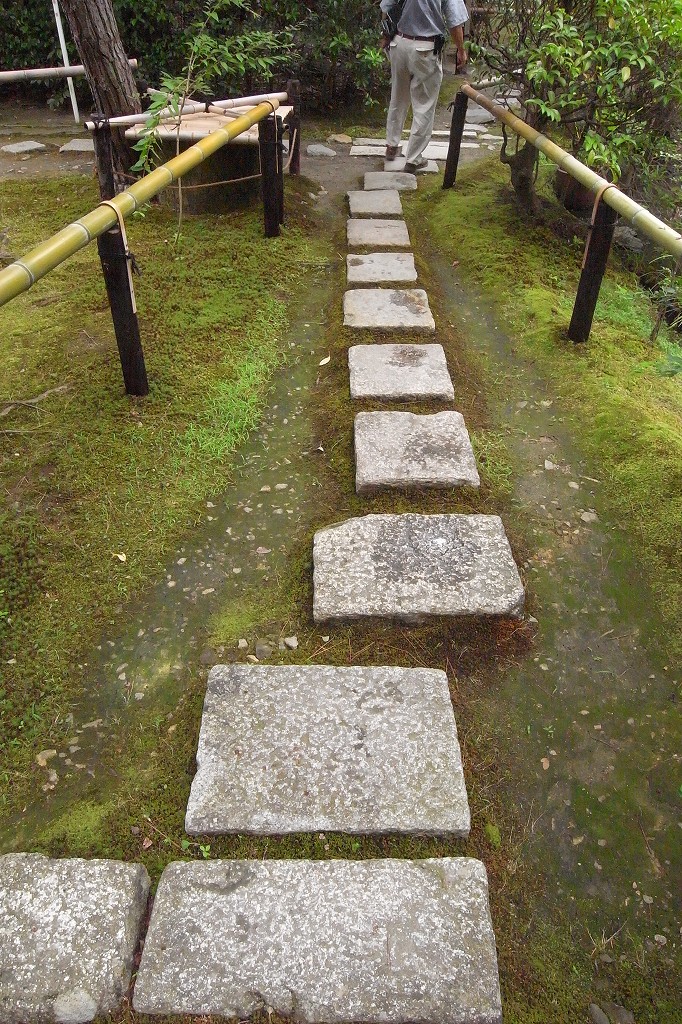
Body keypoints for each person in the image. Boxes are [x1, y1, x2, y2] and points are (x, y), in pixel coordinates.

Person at [380, 0, 469, 173]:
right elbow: (454, 21)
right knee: (424, 104)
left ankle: (392, 145)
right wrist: (460, 49)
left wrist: (385, 36)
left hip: (399, 43)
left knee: (398, 97)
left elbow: (386, 7)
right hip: (425, 47)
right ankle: (414, 158)